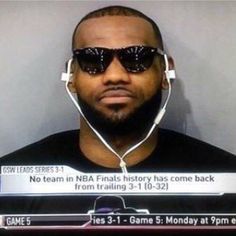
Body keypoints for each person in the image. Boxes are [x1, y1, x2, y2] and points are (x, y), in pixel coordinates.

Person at [0, 5, 236, 219]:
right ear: (71, 77)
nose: (115, 76)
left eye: (136, 57)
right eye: (93, 60)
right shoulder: (10, 181)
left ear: (165, 72)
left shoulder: (225, 178)